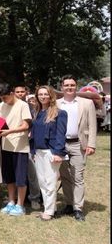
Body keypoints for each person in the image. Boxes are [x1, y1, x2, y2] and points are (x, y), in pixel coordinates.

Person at [57, 75, 97, 221]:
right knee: (64, 176)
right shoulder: (56, 103)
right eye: (66, 85)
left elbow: (92, 125)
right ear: (62, 87)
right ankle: (68, 204)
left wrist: (91, 144)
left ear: (76, 86)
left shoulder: (87, 103)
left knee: (78, 177)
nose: (69, 87)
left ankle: (78, 208)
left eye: (72, 85)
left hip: (78, 144)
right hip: (61, 144)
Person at [30, 86, 67, 221]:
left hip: (51, 152)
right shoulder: (37, 113)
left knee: (50, 182)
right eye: (40, 94)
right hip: (38, 152)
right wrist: (33, 151)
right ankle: (49, 208)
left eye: (46, 94)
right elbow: (34, 134)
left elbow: (61, 135)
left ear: (51, 96)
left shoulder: (59, 113)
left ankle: (49, 211)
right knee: (42, 182)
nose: (43, 96)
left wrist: (58, 153)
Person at [0, 82, 33, 217]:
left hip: (20, 147)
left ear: (12, 93)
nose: (3, 100)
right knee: (9, 177)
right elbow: (0, 121)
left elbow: (26, 125)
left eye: (5, 97)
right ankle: (11, 201)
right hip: (6, 146)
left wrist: (9, 131)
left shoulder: (23, 105)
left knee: (20, 178)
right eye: (1, 98)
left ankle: (20, 205)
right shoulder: (2, 105)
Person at [14, 84, 41, 211]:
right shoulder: (10, 107)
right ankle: (16, 198)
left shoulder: (33, 108)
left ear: (26, 92)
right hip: (14, 144)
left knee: (32, 173)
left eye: (22, 91)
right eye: (17, 92)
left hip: (29, 144)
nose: (20, 94)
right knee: (17, 173)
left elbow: (35, 126)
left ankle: (35, 198)